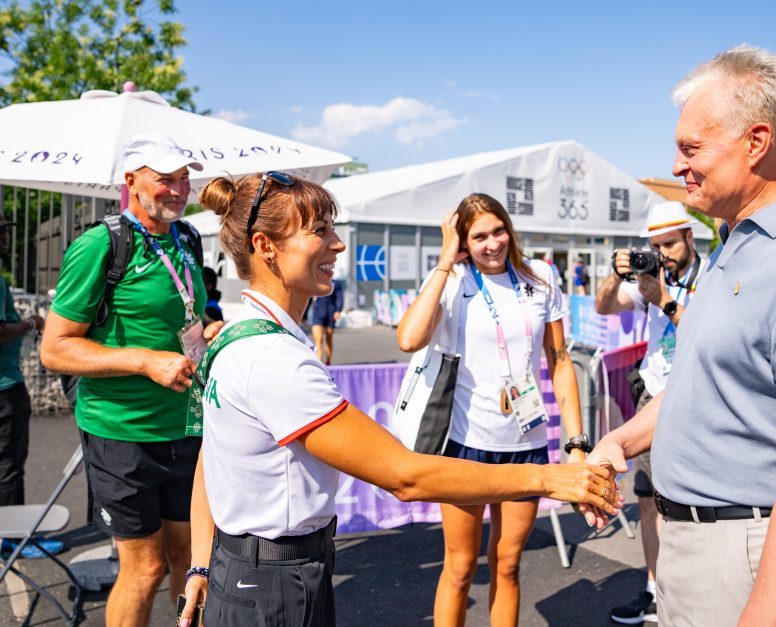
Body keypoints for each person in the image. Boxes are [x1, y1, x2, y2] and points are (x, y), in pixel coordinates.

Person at [178, 174, 619, 627]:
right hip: (275, 581)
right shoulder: (274, 359)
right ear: (265, 246)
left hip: (250, 569)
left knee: (507, 566)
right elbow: (404, 477)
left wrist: (199, 563)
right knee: (461, 566)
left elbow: (211, 459)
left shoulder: (237, 335)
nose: (338, 245)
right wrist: (549, 479)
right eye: (320, 231)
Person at [584, 45, 776, 626]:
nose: (676, 166)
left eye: (691, 148)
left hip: (748, 555)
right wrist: (622, 439)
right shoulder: (738, 243)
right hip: (692, 546)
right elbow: (706, 385)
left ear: (757, 141)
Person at [40, 133, 216, 627]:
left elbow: (184, 316)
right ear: (131, 181)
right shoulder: (101, 244)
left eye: (185, 179)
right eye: (165, 179)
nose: (179, 190)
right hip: (123, 431)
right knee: (145, 568)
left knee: (193, 558)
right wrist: (144, 361)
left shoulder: (187, 238)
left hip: (187, 426)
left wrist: (209, 332)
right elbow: (54, 349)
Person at [397, 193, 593, 627]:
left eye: (498, 230)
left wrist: (576, 444)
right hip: (465, 444)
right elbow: (409, 339)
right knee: (462, 567)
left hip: (526, 444)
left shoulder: (541, 276)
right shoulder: (454, 279)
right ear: (464, 241)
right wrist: (447, 257)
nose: (492, 243)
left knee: (507, 565)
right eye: (479, 236)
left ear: (510, 228)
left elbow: (559, 360)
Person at [594, 200, 701, 625]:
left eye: (671, 244)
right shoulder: (651, 278)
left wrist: (667, 303)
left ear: (690, 237)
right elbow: (604, 306)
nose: (665, 254)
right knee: (647, 500)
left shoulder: (710, 275)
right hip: (652, 396)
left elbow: (710, 337)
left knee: (685, 501)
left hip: (694, 399)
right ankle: (654, 590)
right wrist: (617, 274)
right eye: (656, 246)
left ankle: (685, 594)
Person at [0, 219, 58, 560]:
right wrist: (30, 323)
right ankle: (13, 540)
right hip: (5, 387)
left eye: (8, 229)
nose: (7, 237)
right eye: (1, 232)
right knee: (9, 465)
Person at [311, 278, 343, 364]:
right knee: (319, 340)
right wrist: (304, 315)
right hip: (317, 314)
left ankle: (328, 361)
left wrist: (338, 311)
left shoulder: (336, 283)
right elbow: (308, 298)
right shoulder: (315, 282)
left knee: (329, 339)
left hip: (331, 314)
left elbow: (339, 298)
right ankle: (319, 364)